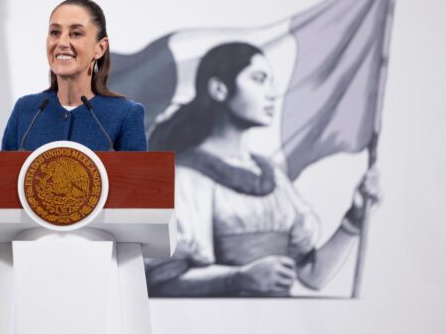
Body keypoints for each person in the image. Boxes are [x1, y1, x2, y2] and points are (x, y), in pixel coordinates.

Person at [146, 42, 380, 297]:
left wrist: (354, 219)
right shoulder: (184, 177)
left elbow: (313, 276)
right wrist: (239, 278)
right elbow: (162, 281)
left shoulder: (273, 176)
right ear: (219, 89)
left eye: (271, 82)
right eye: (259, 79)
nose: (272, 94)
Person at [1, 0, 147, 152]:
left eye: (76, 33)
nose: (62, 43)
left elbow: (137, 169)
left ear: (100, 48)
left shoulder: (125, 114)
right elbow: (1, 168)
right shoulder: (25, 110)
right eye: (55, 32)